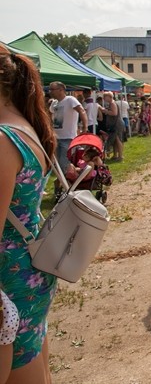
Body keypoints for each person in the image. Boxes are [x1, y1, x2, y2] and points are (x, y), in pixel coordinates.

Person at [0, 51, 58, 383]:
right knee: (33, 352)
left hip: (11, 272)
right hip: (30, 262)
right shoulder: (23, 128)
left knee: (22, 366)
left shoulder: (5, 138)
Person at [48, 81, 87, 174]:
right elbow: (49, 117)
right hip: (56, 137)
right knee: (57, 164)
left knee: (63, 163)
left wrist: (85, 127)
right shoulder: (54, 103)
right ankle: (63, 184)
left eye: (52, 89)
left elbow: (82, 111)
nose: (50, 92)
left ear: (61, 90)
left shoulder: (70, 100)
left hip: (68, 137)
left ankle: (73, 181)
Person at [99, 91, 125, 161]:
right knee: (114, 140)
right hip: (114, 123)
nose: (104, 98)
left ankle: (120, 156)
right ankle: (115, 155)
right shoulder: (111, 103)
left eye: (105, 96)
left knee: (118, 139)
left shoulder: (113, 103)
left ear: (109, 97)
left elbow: (114, 113)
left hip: (117, 123)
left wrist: (105, 111)